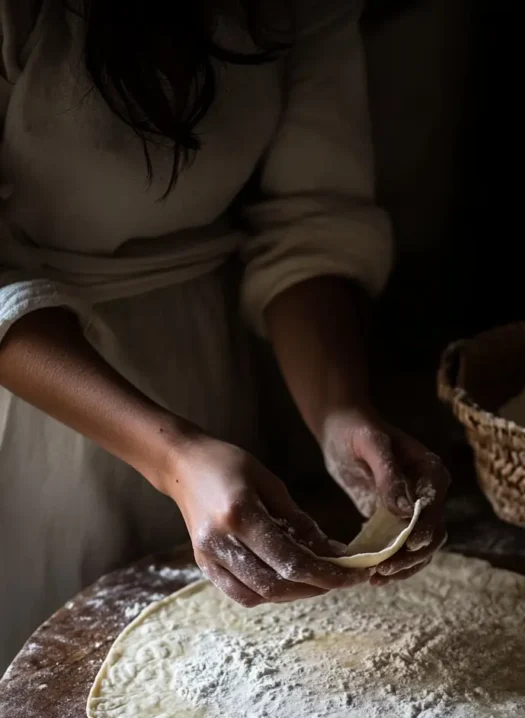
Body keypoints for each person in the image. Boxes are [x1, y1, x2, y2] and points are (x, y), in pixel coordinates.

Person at [0, 0, 449, 672]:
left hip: (205, 365)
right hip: (35, 392)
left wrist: (338, 412)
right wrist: (176, 460)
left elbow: (308, 221)